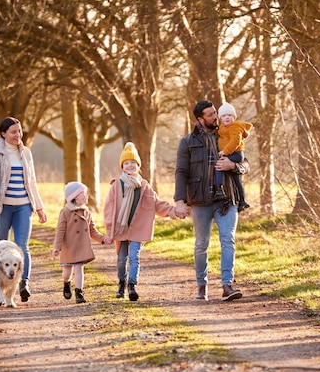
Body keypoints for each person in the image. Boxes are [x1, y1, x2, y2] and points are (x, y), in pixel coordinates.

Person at [174, 100, 249, 302]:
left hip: (227, 198)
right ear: (200, 119)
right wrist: (180, 201)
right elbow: (181, 172)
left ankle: (227, 285)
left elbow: (245, 164)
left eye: (215, 112)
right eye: (210, 115)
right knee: (201, 244)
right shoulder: (187, 142)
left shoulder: (227, 132)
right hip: (200, 200)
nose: (215, 117)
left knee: (228, 240)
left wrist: (233, 166)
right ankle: (202, 285)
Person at [104, 142, 186, 301]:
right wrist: (109, 230)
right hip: (121, 230)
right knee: (121, 260)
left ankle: (132, 285)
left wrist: (174, 211)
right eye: (126, 163)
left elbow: (157, 204)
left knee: (134, 257)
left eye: (133, 163)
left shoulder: (145, 186)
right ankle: (122, 281)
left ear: (138, 165)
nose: (130, 166)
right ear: (122, 166)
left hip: (138, 229)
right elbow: (109, 209)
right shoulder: (116, 185)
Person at [0, 116, 47, 303]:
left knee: (22, 246)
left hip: (23, 206)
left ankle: (23, 283)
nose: (17, 135)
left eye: (19, 131)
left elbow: (32, 182)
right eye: (13, 132)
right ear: (3, 134)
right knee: (2, 247)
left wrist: (39, 207)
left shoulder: (26, 153)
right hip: (1, 206)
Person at [52, 182, 112, 304]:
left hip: (81, 247)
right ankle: (66, 283)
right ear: (74, 197)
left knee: (79, 268)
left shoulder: (87, 212)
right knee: (67, 272)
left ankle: (79, 292)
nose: (86, 196)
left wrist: (103, 239)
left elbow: (92, 231)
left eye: (86, 193)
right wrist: (57, 247)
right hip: (68, 247)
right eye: (83, 194)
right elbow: (60, 231)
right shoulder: (65, 212)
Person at [214, 102, 252, 212]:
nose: (227, 118)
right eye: (224, 116)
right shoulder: (222, 128)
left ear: (234, 117)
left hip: (235, 154)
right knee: (236, 180)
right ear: (220, 118)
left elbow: (236, 141)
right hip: (231, 154)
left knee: (219, 166)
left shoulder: (235, 126)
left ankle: (219, 189)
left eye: (229, 116)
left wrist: (225, 152)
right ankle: (242, 201)